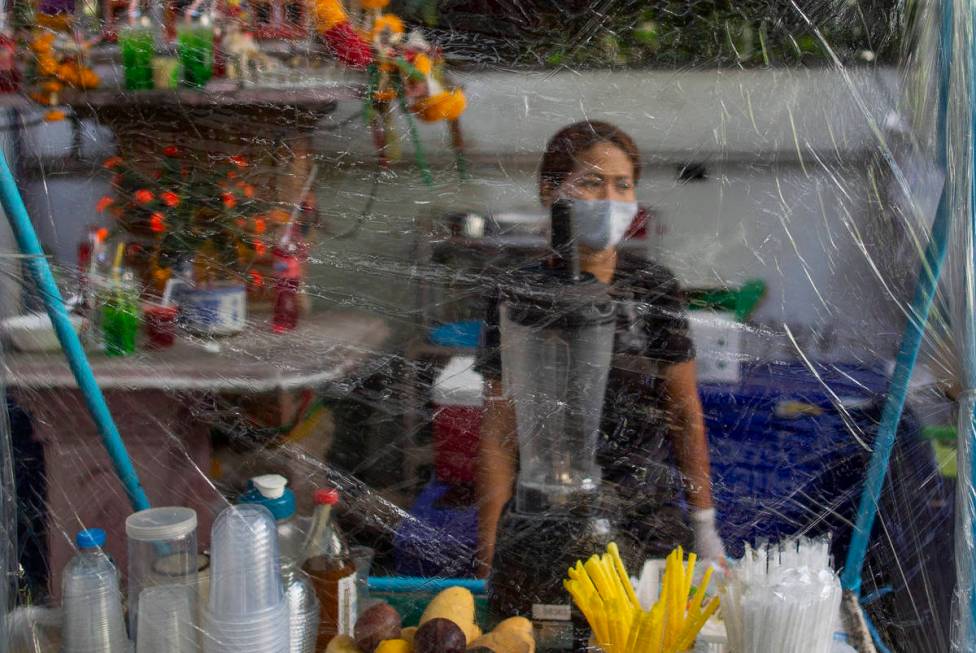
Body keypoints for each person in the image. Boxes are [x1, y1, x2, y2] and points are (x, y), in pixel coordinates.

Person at [474, 120, 724, 577]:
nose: (610, 199)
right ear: (551, 191)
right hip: (542, 512)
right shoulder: (515, 294)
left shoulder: (654, 289)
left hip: (639, 517)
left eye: (623, 186)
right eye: (591, 182)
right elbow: (499, 429)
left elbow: (685, 414)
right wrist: (490, 550)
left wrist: (705, 528)